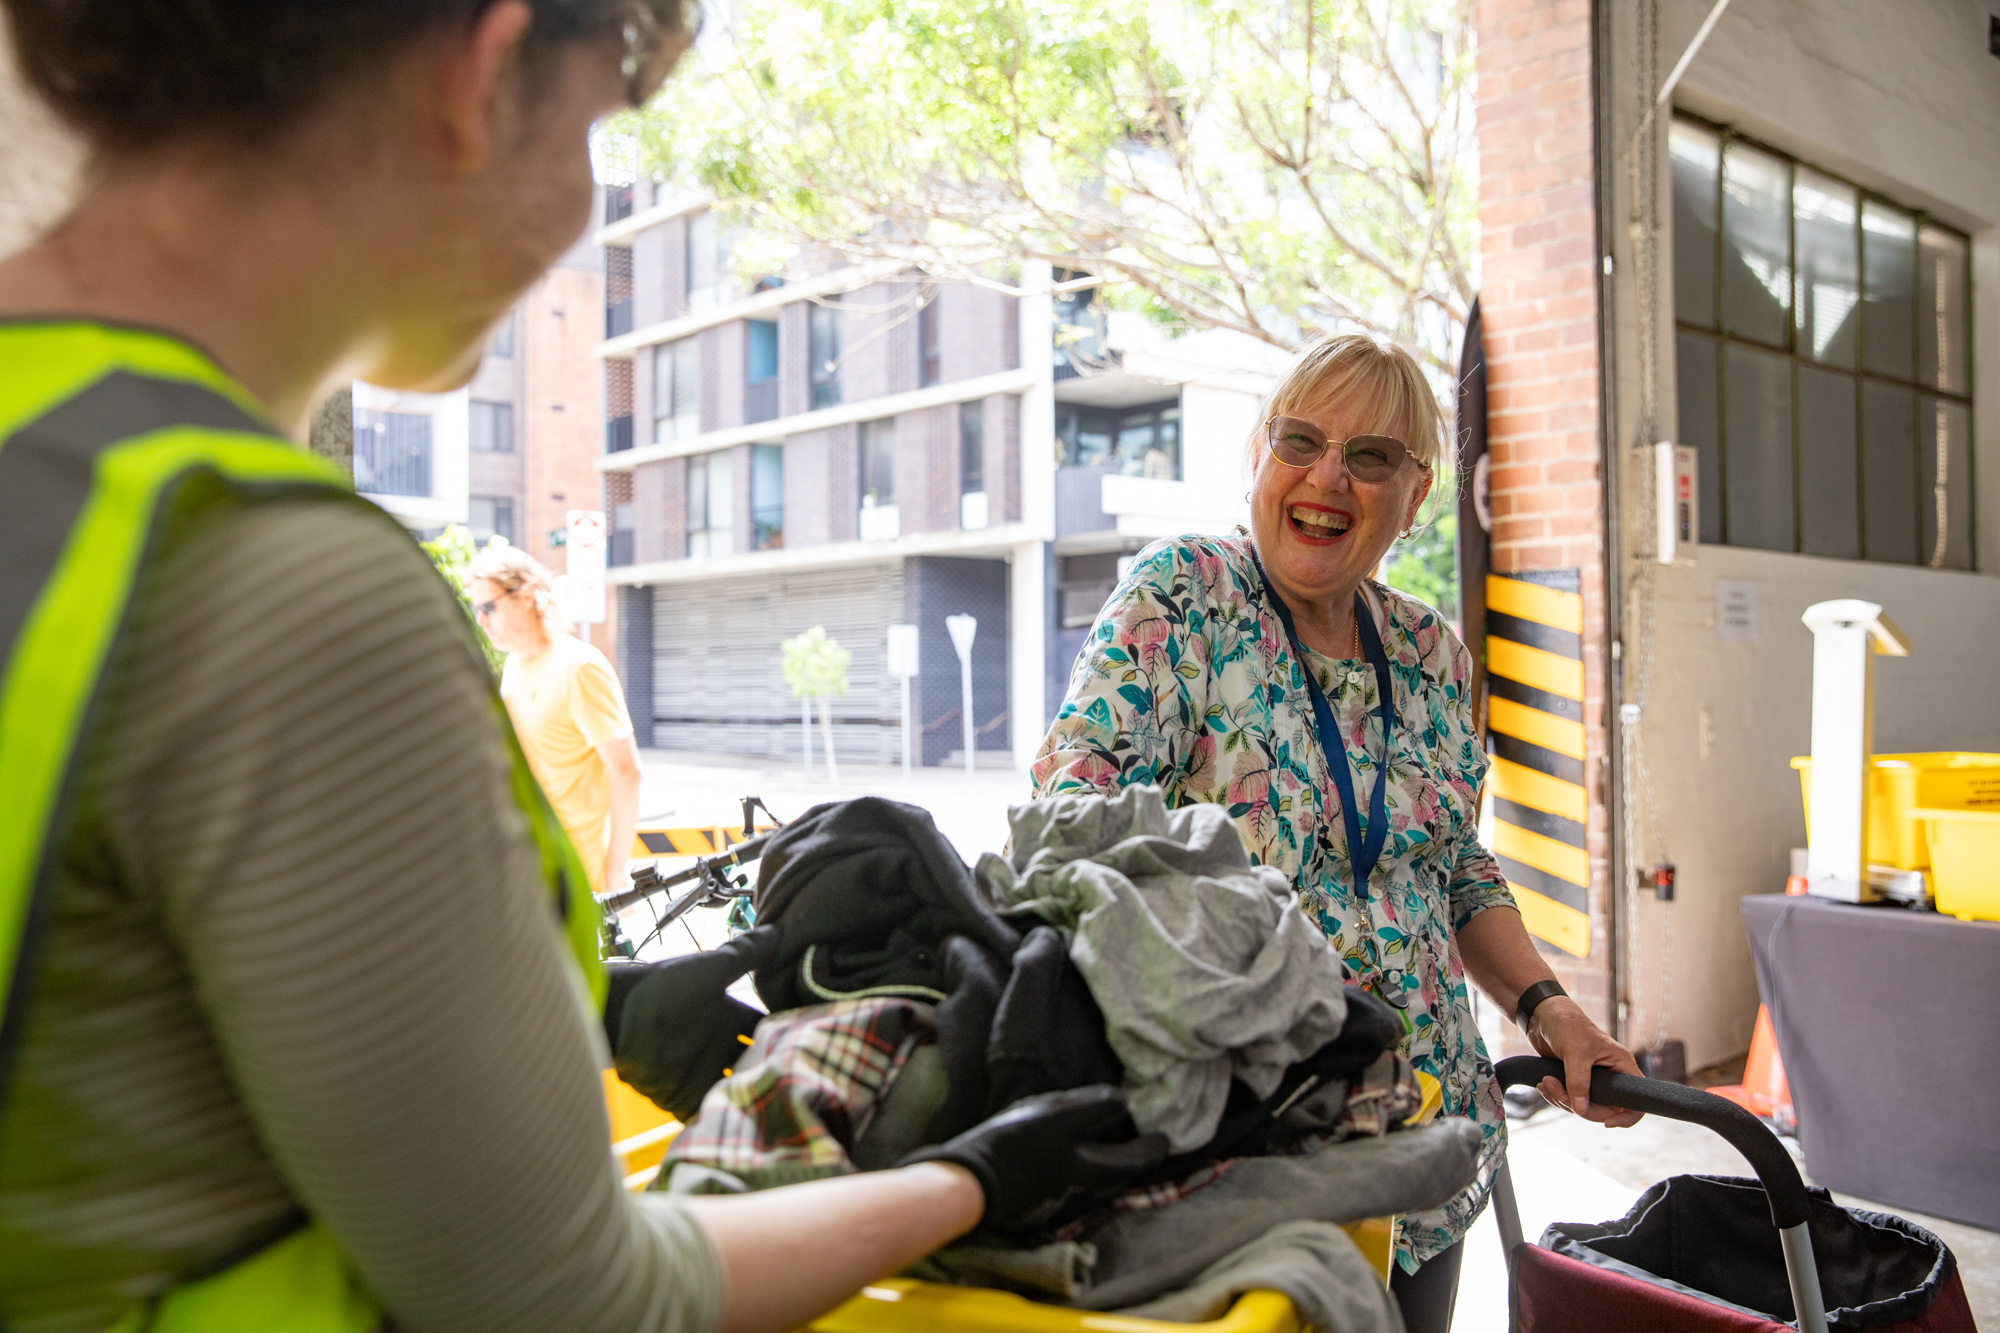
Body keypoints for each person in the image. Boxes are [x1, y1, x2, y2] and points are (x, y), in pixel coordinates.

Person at [0, 3, 1159, 1330]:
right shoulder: (271, 587)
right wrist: (970, 1175)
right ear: (482, 70)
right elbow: (573, 1306)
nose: (576, 216)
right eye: (598, 135)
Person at [1032, 333, 1644, 1333]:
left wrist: (1546, 1008)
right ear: (1260, 461)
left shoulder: (1427, 649)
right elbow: (1070, 829)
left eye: (1369, 458)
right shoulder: (1183, 597)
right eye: (1300, 441)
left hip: (1422, 1150)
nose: (1327, 477)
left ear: (1414, 494)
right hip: (1247, 1163)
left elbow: (1450, 865)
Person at [469, 545, 641, 896]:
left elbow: (627, 773)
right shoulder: (514, 668)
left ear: (526, 596)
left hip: (575, 877)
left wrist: (615, 871)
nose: (481, 620)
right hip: (527, 864)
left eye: (488, 607)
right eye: (476, 610)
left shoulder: (578, 667)